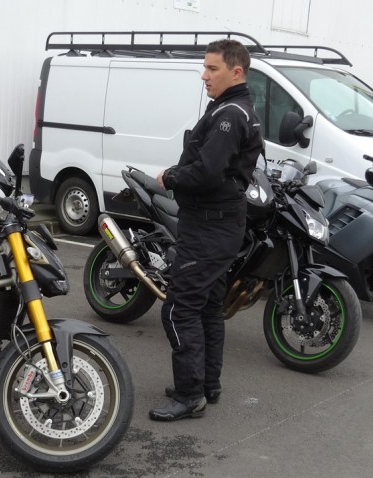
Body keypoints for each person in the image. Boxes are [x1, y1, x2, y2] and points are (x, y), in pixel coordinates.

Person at [149, 39, 263, 421]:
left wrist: (170, 176)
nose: (204, 75)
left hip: (209, 229)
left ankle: (189, 395)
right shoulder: (235, 109)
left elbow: (208, 171)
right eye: (204, 67)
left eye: (212, 69)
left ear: (236, 72)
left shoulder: (230, 114)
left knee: (178, 310)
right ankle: (206, 385)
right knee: (209, 308)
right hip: (219, 225)